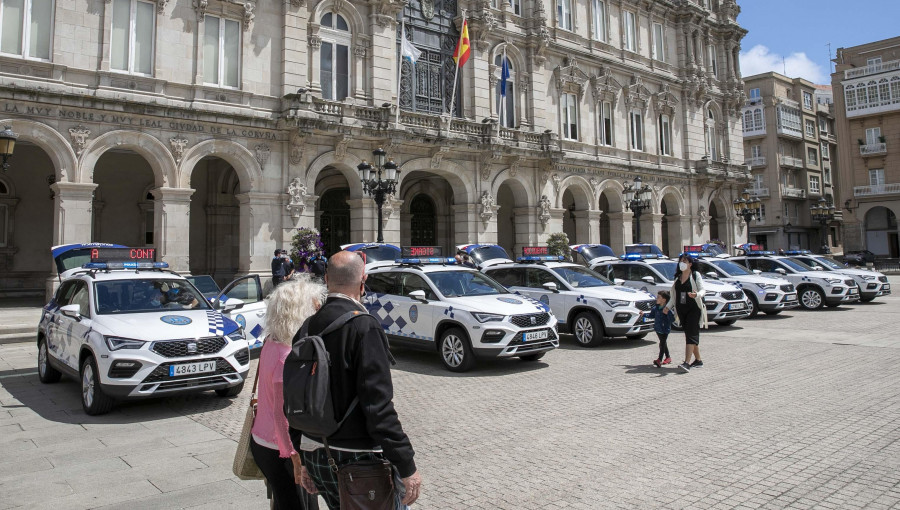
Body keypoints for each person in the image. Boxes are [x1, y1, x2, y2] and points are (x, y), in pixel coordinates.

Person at [291, 250, 422, 509]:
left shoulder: (306, 327)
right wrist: (406, 465)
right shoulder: (364, 327)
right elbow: (378, 406)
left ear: (326, 279)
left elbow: (295, 396)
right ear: (363, 280)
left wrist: (303, 456)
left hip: (317, 454)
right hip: (358, 461)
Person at [250, 276, 326, 510]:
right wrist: (296, 458)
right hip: (280, 449)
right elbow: (282, 413)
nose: (318, 311)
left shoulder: (271, 342)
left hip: (265, 441)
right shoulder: (288, 355)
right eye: (314, 306)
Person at [668, 254, 707, 372]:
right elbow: (674, 296)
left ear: (690, 264)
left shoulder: (695, 275)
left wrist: (697, 295)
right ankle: (698, 361)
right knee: (690, 335)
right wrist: (668, 307)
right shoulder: (678, 277)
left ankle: (686, 363)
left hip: (694, 309)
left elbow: (703, 290)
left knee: (691, 334)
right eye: (681, 261)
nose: (682, 263)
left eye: (685, 261)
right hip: (682, 310)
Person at [643, 290, 675, 367]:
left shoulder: (667, 309)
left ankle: (659, 360)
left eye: (658, 297)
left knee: (662, 344)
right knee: (663, 343)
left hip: (664, 330)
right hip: (658, 329)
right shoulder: (656, 308)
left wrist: (667, 313)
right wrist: (643, 314)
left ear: (664, 300)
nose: (656, 299)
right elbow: (651, 315)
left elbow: (672, 320)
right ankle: (668, 357)